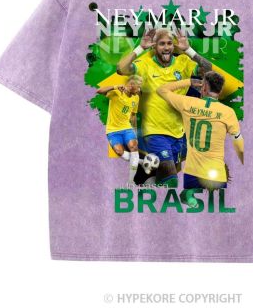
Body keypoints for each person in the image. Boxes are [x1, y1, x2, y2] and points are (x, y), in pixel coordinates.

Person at [117, 28, 212, 187]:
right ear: (154, 46)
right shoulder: (145, 65)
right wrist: (140, 48)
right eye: (162, 44)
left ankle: (146, 183)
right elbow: (121, 68)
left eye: (169, 43)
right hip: (155, 132)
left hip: (178, 133)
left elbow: (208, 69)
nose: (166, 47)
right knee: (171, 179)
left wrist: (188, 50)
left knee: (167, 177)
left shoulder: (183, 62)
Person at [157, 71, 244, 207]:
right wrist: (244, 163)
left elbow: (161, 90)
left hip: (192, 173)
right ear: (220, 91)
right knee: (218, 207)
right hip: (216, 175)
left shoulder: (187, 103)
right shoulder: (228, 113)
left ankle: (188, 195)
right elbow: (239, 144)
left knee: (192, 199)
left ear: (203, 88)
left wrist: (189, 82)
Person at [96, 75, 142, 184]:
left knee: (133, 147)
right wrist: (115, 86)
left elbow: (133, 115)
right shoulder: (117, 92)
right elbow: (99, 91)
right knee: (119, 151)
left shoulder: (136, 98)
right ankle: (140, 161)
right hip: (112, 130)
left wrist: (135, 130)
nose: (139, 89)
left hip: (126, 128)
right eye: (137, 87)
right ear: (131, 85)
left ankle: (131, 181)